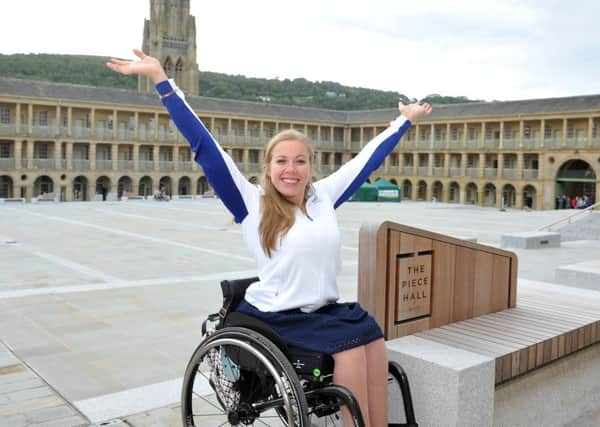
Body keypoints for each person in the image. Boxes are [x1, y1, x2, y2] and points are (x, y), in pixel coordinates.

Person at [107, 49, 432, 427]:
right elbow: (204, 146)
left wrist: (403, 122)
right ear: (269, 166)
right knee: (349, 354)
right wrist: (163, 82)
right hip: (281, 315)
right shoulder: (252, 204)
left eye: (299, 161)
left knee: (374, 343)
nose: (290, 170)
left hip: (323, 310)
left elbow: (367, 160)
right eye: (281, 161)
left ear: (311, 167)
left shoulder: (323, 196)